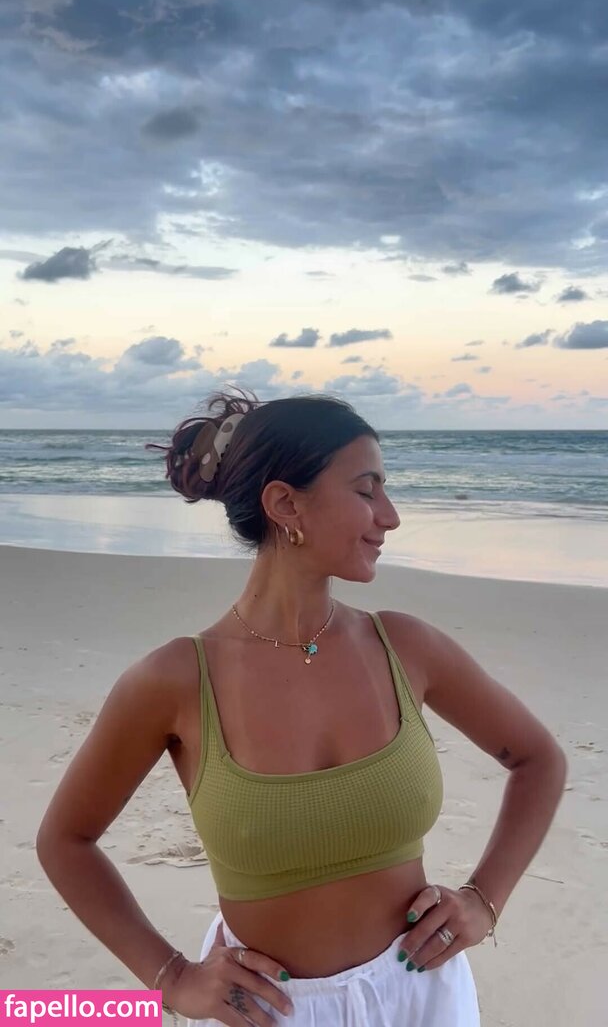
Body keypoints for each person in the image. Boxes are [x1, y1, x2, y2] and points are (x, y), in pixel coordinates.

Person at [36, 387, 567, 1026]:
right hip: (274, 1010)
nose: (391, 516)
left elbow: (538, 759)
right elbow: (65, 841)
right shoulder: (175, 680)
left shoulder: (405, 647)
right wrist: (171, 976)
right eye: (367, 490)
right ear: (286, 504)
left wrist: (485, 899)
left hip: (425, 997)